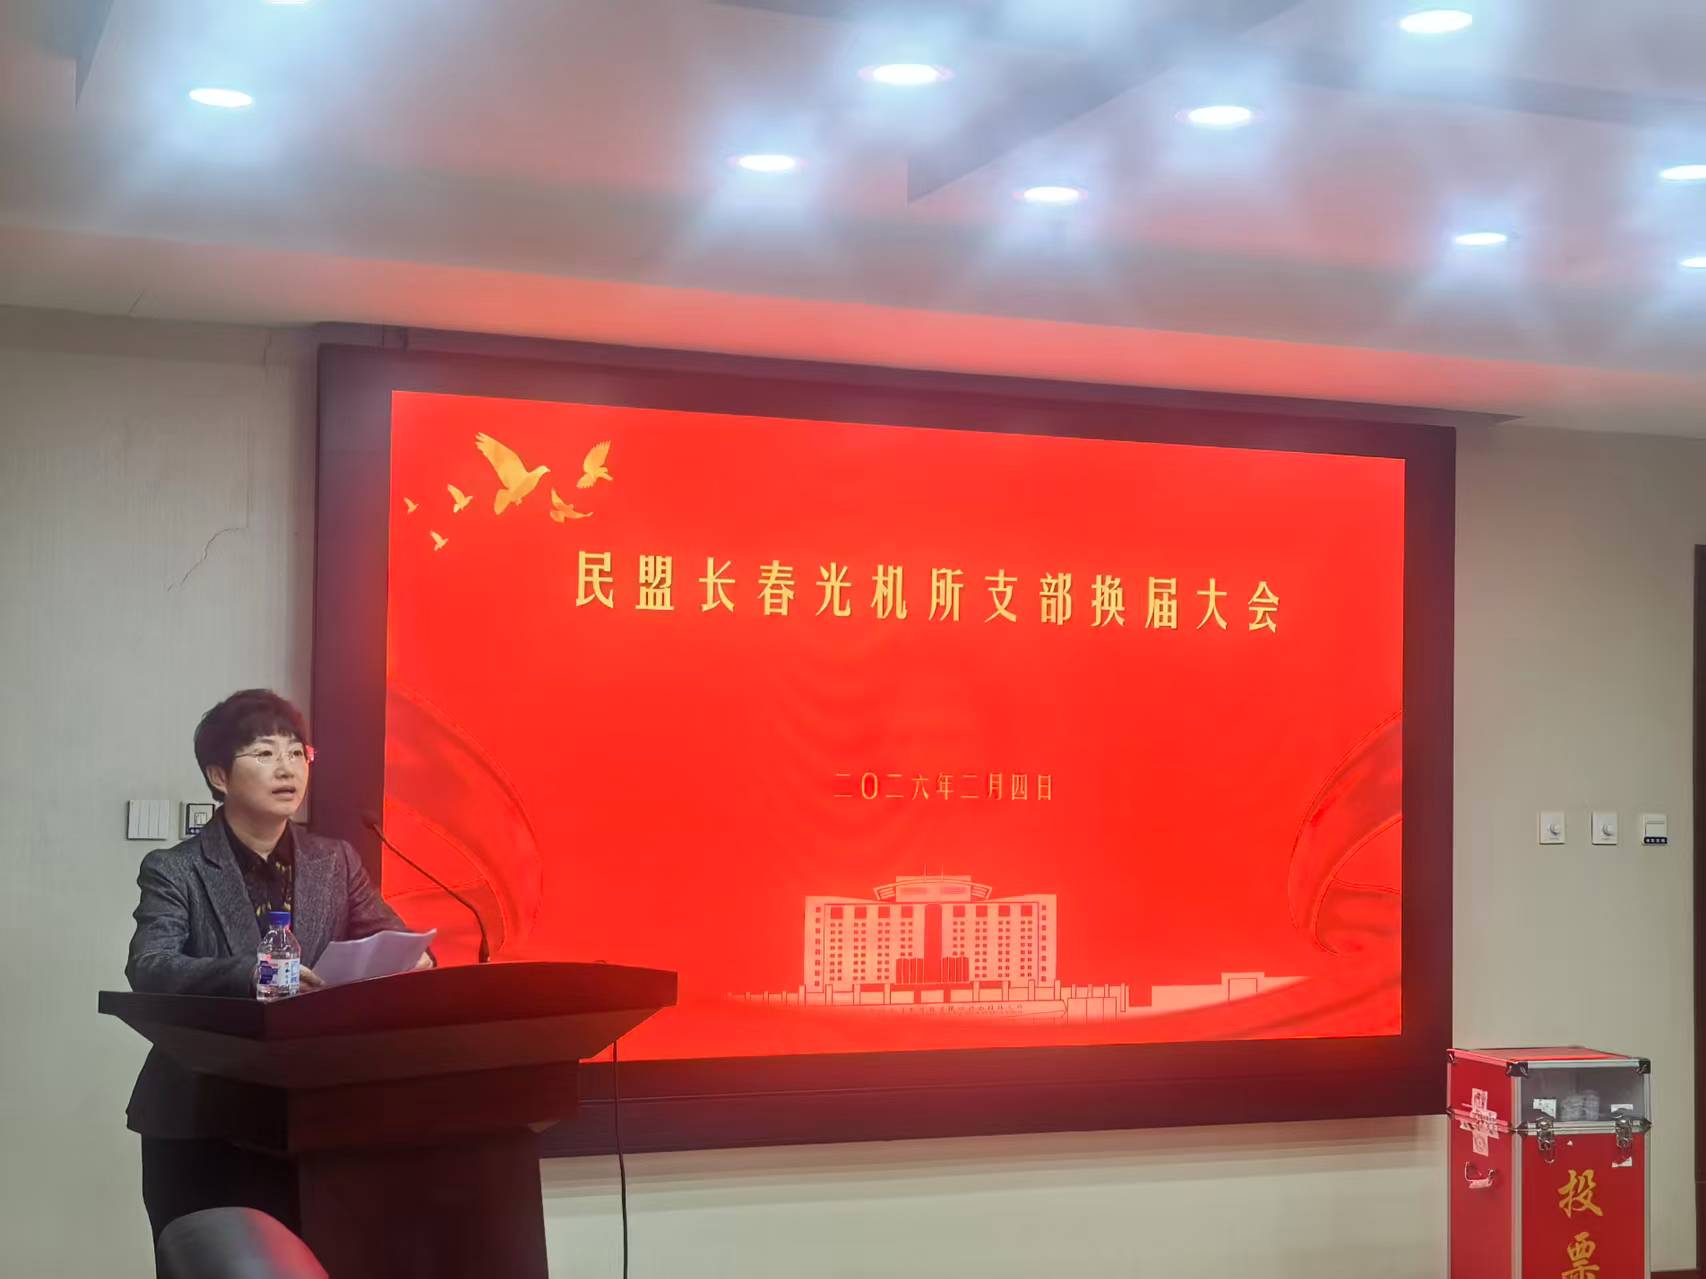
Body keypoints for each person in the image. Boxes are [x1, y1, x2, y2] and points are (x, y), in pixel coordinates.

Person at [125, 688, 433, 1243]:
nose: (287, 768)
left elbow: (386, 934)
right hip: (202, 1119)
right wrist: (251, 974)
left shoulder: (334, 860)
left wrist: (413, 956)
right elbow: (151, 965)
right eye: (265, 753)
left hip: (314, 1115)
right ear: (219, 776)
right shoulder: (176, 869)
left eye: (296, 753)